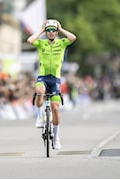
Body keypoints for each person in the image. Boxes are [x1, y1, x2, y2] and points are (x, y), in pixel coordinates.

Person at [27, 19, 77, 150]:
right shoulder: (41, 43)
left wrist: (60, 29)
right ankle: (39, 117)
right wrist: (41, 30)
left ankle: (56, 137)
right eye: (48, 30)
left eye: (53, 30)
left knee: (55, 108)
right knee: (39, 91)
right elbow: (30, 41)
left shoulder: (62, 43)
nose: (50, 32)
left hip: (55, 79)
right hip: (43, 76)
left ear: (56, 32)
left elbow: (73, 38)